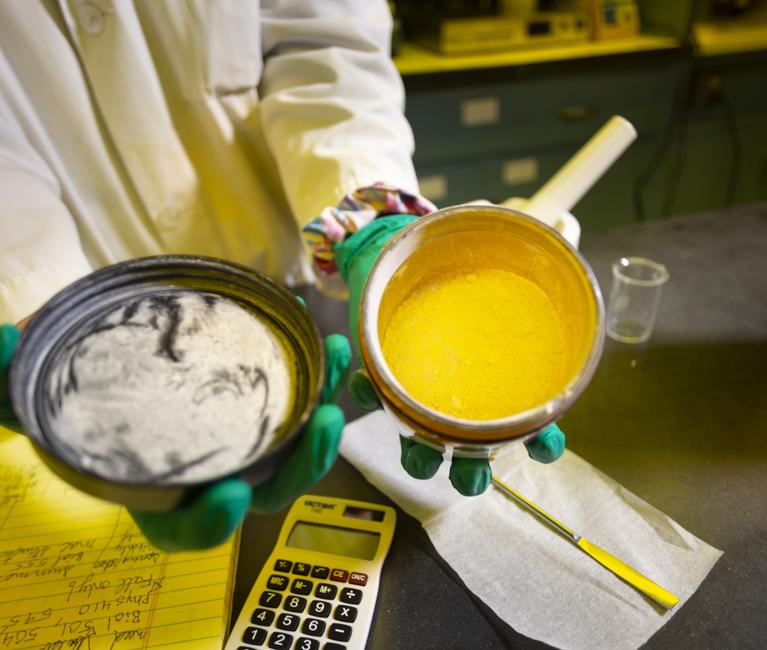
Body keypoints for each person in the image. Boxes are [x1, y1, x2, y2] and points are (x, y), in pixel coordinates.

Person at [0, 1, 565, 551]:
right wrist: (43, 313)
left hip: (299, 285)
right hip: (93, 300)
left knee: (318, 463)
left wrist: (369, 223)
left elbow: (324, 45)